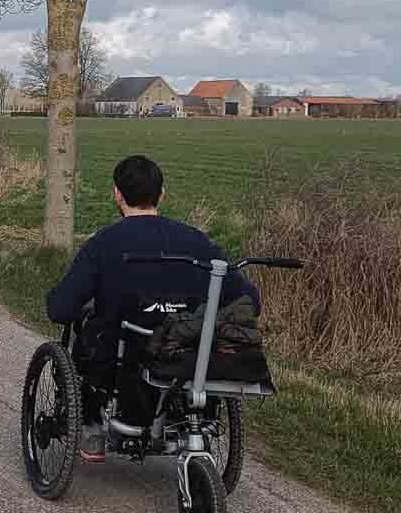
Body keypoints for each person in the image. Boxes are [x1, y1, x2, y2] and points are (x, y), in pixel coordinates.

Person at [46, 154, 255, 460]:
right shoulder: (196, 241)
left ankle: (91, 425)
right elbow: (248, 300)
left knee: (87, 327)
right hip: (185, 354)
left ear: (117, 193)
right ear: (162, 194)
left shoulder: (104, 242)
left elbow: (61, 309)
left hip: (122, 357)